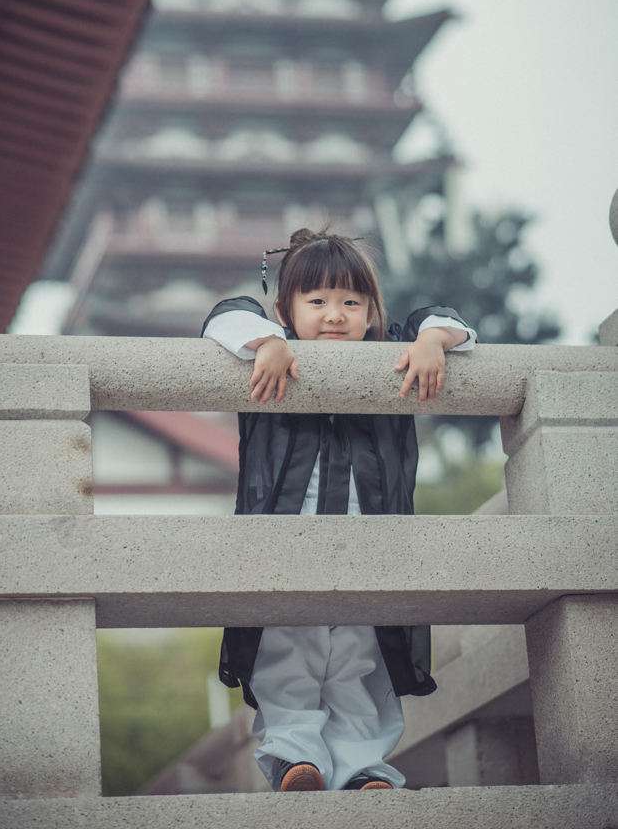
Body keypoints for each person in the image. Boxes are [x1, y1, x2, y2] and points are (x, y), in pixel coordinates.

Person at [202, 228, 475, 793]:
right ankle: (295, 757)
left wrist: (432, 344)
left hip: (369, 548)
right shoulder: (270, 356)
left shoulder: (392, 358)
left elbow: (448, 320)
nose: (335, 315)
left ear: (373, 312)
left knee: (358, 657)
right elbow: (224, 315)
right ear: (285, 309)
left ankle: (361, 768)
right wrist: (267, 344)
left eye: (352, 302)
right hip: (284, 549)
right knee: (288, 652)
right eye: (317, 301)